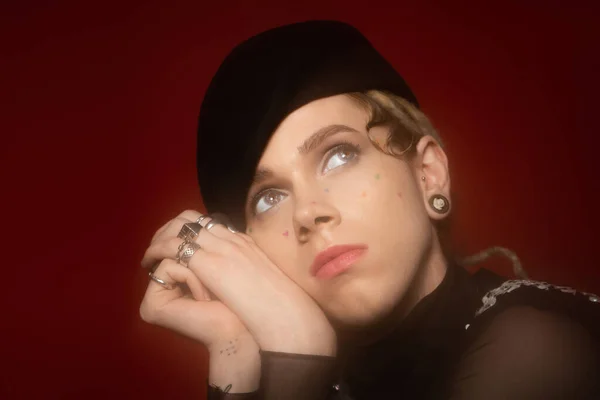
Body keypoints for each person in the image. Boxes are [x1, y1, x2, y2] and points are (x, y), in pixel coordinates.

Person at [139, 21, 600, 399]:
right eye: (269, 198)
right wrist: (236, 345)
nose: (307, 214)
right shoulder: (326, 373)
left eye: (338, 155)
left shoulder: (538, 350)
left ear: (428, 175)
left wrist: (298, 362)